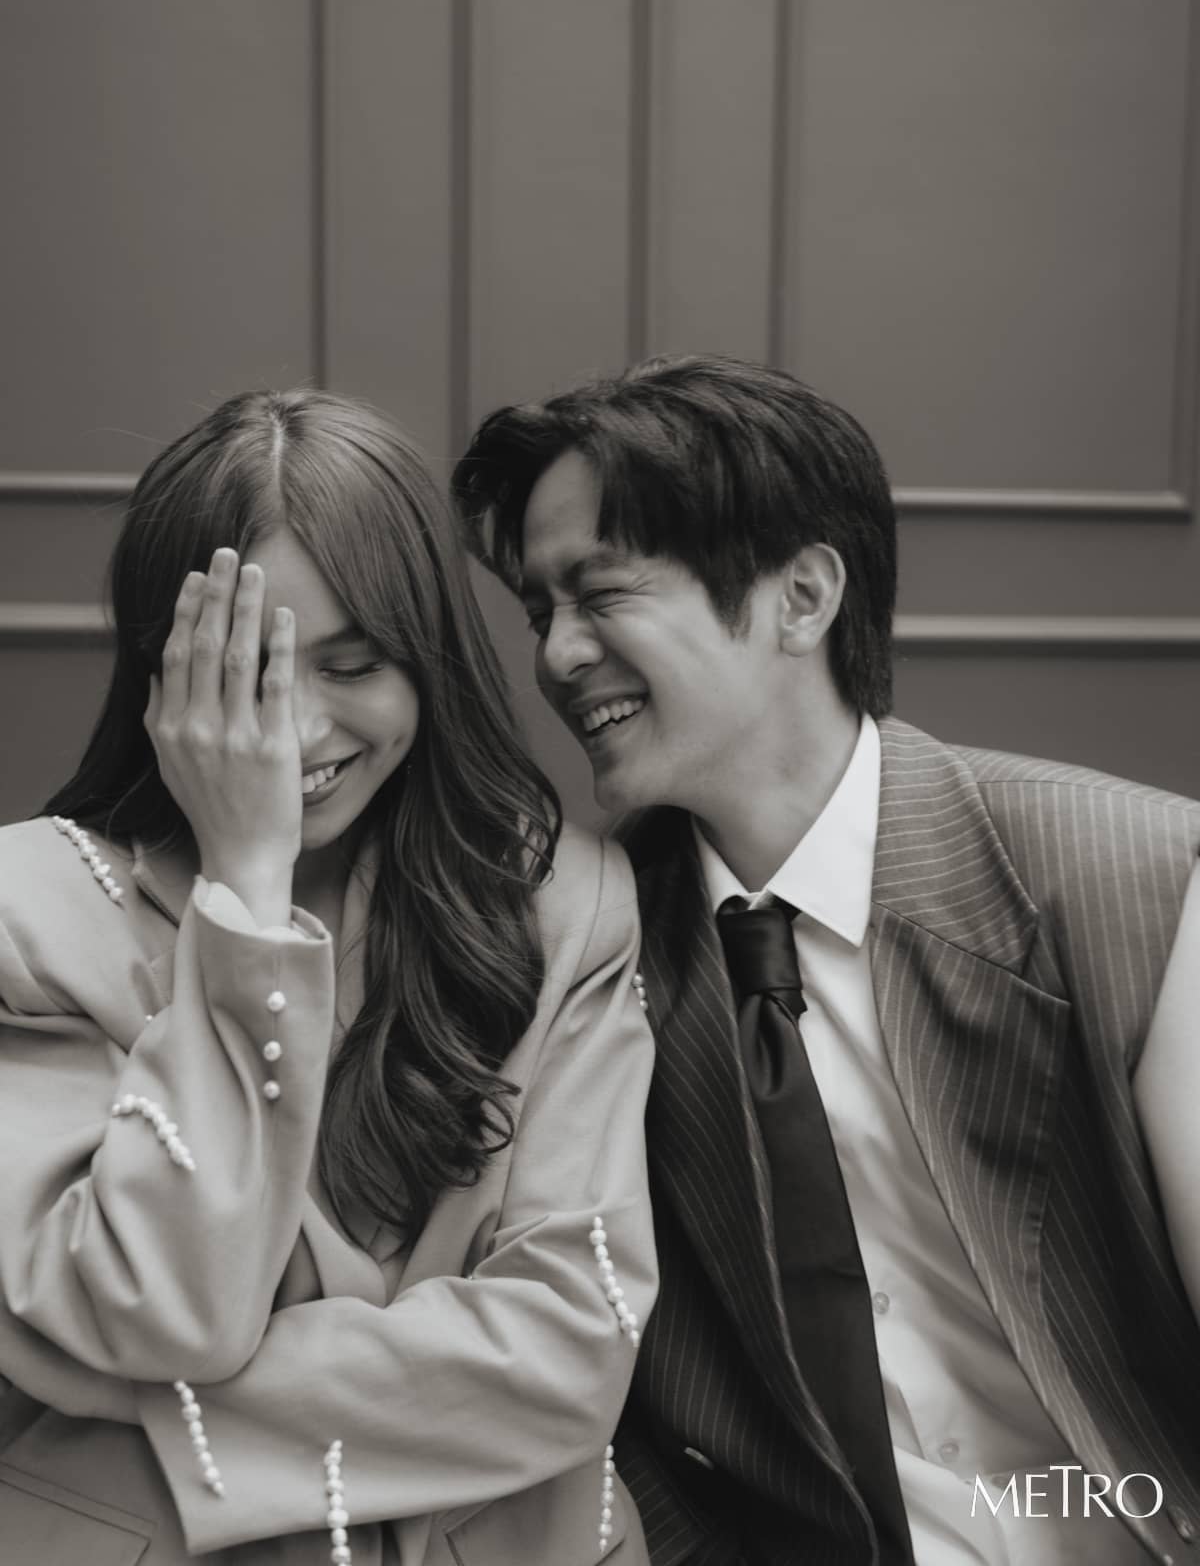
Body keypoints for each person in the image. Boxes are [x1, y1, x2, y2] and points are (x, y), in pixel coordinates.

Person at [451, 354, 1200, 1566]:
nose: (557, 655)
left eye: (602, 592)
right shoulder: (583, 953)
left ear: (802, 596)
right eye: (542, 611)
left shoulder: (1135, 881)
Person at [0, 389, 657, 1565]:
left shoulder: (568, 906)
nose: (299, 732)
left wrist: (134, 1397)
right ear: (162, 670)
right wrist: (246, 889)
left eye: (354, 665)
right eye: (248, 672)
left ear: (431, 661)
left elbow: (570, 1346)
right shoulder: (33, 912)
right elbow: (161, 1305)